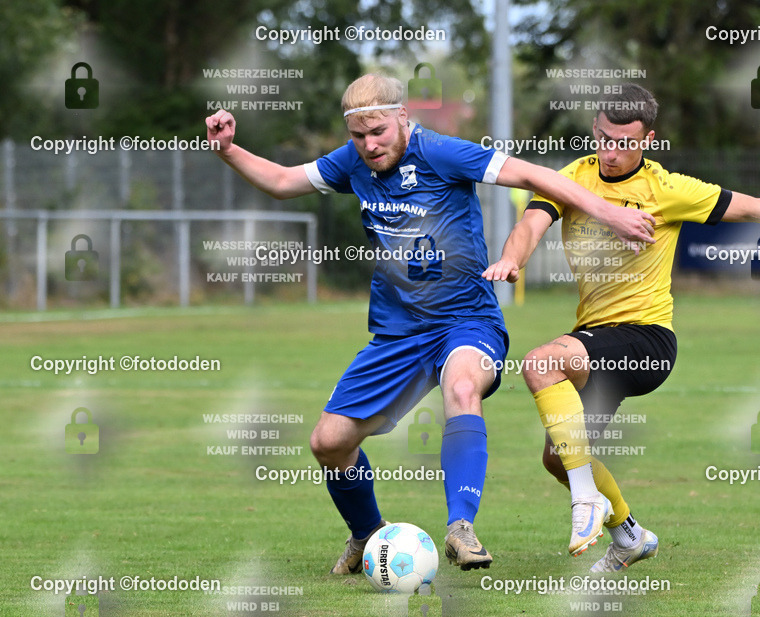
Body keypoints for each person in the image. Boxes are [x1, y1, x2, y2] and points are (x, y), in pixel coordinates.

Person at [205, 73, 656, 573]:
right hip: (398, 332)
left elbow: (538, 176)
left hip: (468, 322)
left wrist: (607, 212)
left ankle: (460, 527)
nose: (369, 145)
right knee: (328, 443)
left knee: (462, 388)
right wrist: (228, 150)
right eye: (358, 135)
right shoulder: (352, 161)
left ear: (403, 117)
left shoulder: (441, 152)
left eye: (377, 131)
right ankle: (367, 536)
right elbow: (284, 182)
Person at [483, 83, 760, 572]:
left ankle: (585, 503)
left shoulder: (665, 189)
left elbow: (755, 207)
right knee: (558, 458)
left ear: (647, 138)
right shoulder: (573, 178)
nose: (612, 150)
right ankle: (629, 536)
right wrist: (510, 260)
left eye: (625, 142)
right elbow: (531, 224)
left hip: (646, 341)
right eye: (605, 137)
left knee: (542, 363)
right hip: (596, 340)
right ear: (594, 128)